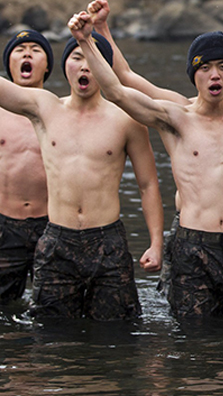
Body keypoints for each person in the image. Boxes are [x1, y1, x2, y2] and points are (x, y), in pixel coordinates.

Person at [67, 8, 223, 318]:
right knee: (193, 340)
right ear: (193, 74)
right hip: (192, 249)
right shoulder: (174, 119)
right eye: (205, 68)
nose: (214, 75)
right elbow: (118, 90)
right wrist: (87, 41)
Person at [0, 26, 164, 320]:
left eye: (94, 59)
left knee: (119, 332)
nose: (85, 66)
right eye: (77, 57)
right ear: (64, 65)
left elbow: (148, 184)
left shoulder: (126, 119)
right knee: (51, 334)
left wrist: (156, 243)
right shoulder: (44, 108)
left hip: (107, 242)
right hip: (57, 241)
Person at [0, 30, 53, 304]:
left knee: (52, 308)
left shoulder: (60, 112)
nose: (28, 53)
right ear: (8, 64)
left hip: (53, 225)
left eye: (36, 49)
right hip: (4, 225)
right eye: (20, 50)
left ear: (48, 66)